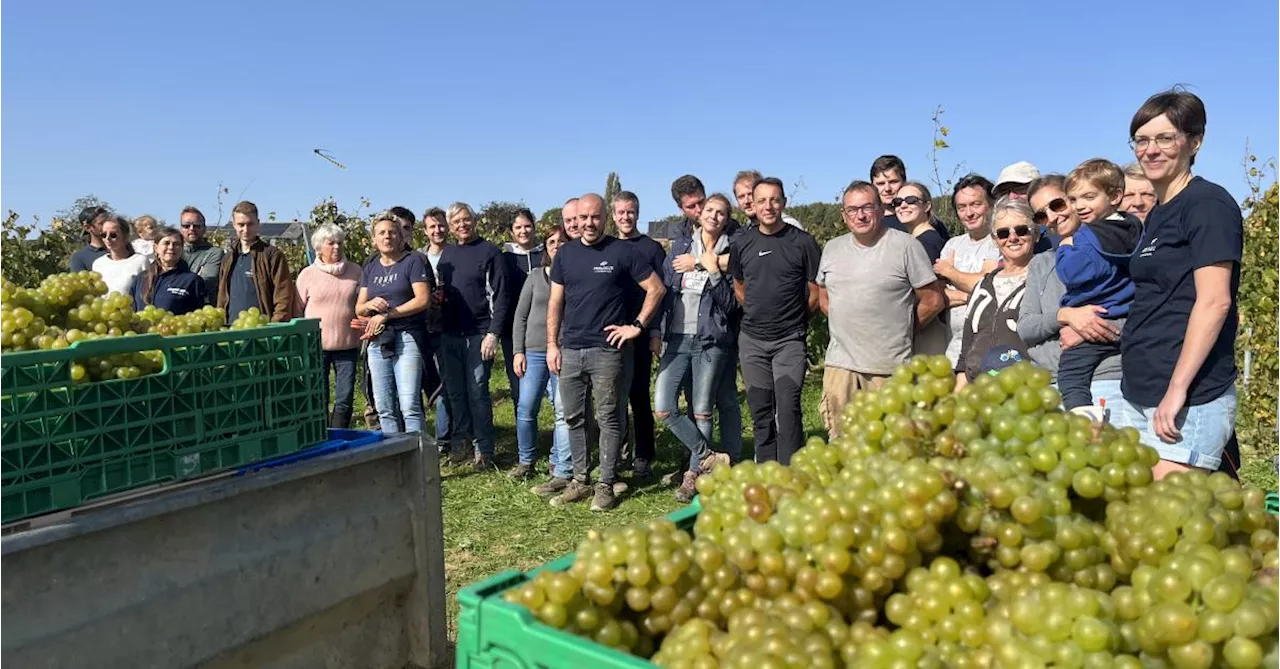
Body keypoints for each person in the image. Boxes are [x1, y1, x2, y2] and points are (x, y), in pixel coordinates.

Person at [1113, 89, 1241, 478]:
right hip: (1141, 391)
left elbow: (1214, 302)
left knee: (1170, 525)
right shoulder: (1159, 213)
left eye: (1165, 138)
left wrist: (1177, 389)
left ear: (1194, 142)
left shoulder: (1207, 205)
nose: (1150, 150)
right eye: (1142, 139)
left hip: (1187, 397)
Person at [547, 193, 665, 511]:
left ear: (605, 218)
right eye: (583, 217)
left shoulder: (622, 251)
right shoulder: (566, 255)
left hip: (608, 351)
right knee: (573, 417)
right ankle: (581, 480)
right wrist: (551, 344)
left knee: (609, 417)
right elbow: (555, 302)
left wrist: (637, 325)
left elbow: (656, 288)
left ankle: (606, 483)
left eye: (595, 217)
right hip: (570, 348)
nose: (588, 223)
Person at [817, 180, 944, 436]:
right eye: (852, 210)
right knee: (842, 441)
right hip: (841, 367)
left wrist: (902, 328)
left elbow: (933, 300)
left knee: (891, 444)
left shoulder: (906, 246)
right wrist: (851, 326)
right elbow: (823, 297)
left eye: (867, 207)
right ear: (843, 215)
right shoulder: (832, 249)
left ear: (880, 209)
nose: (860, 215)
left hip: (889, 367)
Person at [729, 177, 821, 465]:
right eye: (762, 201)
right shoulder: (742, 242)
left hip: (789, 341)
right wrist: (760, 311)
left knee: (789, 408)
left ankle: (790, 474)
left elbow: (816, 293)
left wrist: (792, 318)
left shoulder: (802, 243)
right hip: (753, 340)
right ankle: (766, 471)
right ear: (752, 205)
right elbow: (739, 285)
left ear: (783, 203)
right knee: (760, 411)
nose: (768, 206)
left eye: (774, 200)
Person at [655, 193, 738, 502]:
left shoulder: (731, 251)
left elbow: (730, 305)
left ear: (726, 219)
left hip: (709, 340)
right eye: (709, 210)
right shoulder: (680, 247)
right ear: (700, 214)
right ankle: (709, 456)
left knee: (702, 410)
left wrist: (711, 268)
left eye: (720, 213)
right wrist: (655, 331)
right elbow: (665, 290)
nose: (714, 216)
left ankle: (694, 475)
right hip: (676, 338)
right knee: (664, 407)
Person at [1020, 174, 1126, 411]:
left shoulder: (1114, 249)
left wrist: (1090, 330)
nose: (1052, 217)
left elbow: (1141, 314)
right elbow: (1026, 327)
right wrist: (1065, 315)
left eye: (1057, 204)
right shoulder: (1042, 263)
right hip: (1049, 387)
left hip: (1106, 380)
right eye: (1041, 215)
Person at [1054, 159, 1143, 411]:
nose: (1079, 206)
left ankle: (1083, 415)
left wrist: (1064, 249)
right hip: (1125, 315)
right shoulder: (1133, 227)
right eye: (1073, 199)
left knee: (1071, 374)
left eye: (1089, 197)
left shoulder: (1088, 236)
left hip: (1096, 320)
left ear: (1115, 195)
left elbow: (1073, 273)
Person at [437, 202, 511, 469]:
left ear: (474, 220)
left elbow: (500, 296)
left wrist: (493, 333)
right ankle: (461, 444)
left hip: (479, 333)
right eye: (456, 222)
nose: (462, 225)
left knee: (477, 391)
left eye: (465, 220)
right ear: (451, 226)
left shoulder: (490, 252)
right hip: (450, 333)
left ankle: (485, 449)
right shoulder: (447, 255)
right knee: (456, 392)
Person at [356, 212, 433, 434]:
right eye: (382, 233)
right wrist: (371, 305)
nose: (387, 236)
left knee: (409, 405)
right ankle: (394, 458)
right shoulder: (371, 267)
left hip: (407, 337)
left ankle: (417, 461)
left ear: (401, 237)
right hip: (378, 341)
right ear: (374, 239)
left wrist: (388, 314)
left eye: (392, 232)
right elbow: (359, 308)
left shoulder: (413, 261)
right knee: (384, 408)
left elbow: (422, 299)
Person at [513, 225, 573, 488]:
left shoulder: (575, 274)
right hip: (534, 351)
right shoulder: (535, 276)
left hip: (563, 350)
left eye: (562, 241)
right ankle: (526, 460)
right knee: (526, 407)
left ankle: (559, 462)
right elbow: (520, 315)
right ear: (545, 248)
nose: (557, 245)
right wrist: (518, 351)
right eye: (551, 242)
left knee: (562, 410)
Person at [611, 191, 665, 478]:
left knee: (639, 396)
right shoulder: (606, 248)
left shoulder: (652, 249)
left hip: (642, 333)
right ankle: (617, 454)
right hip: (611, 333)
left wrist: (654, 331)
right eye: (620, 212)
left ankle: (644, 455)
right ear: (613, 215)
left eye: (630, 212)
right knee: (614, 397)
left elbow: (662, 294)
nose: (625, 217)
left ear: (637, 213)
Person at [956, 197, 1037, 386]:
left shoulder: (1044, 278)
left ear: (1036, 234)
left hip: (1026, 390)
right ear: (994, 240)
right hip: (980, 392)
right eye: (1003, 233)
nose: (1013, 237)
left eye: (1021, 230)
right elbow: (967, 349)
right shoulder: (983, 285)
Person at [296, 223, 363, 429]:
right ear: (318, 248)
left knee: (344, 396)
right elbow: (297, 309)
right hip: (317, 346)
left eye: (339, 243)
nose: (336, 247)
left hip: (348, 345)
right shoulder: (307, 275)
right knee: (319, 394)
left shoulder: (356, 271)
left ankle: (339, 433)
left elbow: (363, 302)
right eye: (331, 243)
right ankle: (320, 434)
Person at [934, 174, 1002, 368]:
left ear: (991, 205)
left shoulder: (1001, 240)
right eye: (962, 207)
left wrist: (950, 272)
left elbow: (986, 284)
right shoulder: (952, 244)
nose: (969, 213)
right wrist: (970, 295)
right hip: (953, 351)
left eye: (975, 204)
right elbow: (938, 293)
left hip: (991, 354)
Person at [217, 201, 295, 323]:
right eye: (241, 224)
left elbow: (283, 295)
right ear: (234, 225)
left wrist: (275, 325)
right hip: (231, 330)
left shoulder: (272, 255)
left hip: (262, 331)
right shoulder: (228, 258)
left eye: (250, 224)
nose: (246, 229)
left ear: (258, 224)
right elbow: (222, 297)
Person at [501, 208, 545, 408]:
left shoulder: (544, 256)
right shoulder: (505, 258)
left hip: (541, 328)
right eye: (518, 227)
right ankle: (523, 425)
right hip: (513, 328)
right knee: (517, 378)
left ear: (534, 228)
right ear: (512, 231)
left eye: (527, 226)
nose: (523, 231)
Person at [419, 207, 453, 447]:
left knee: (446, 382)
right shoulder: (419, 258)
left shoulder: (455, 254)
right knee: (424, 381)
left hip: (448, 326)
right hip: (421, 326)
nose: (437, 230)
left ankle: (445, 438)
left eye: (441, 225)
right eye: (432, 226)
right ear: (426, 231)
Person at [131, 226, 207, 315]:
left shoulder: (193, 281)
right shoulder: (141, 278)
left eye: (176, 244)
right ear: (156, 248)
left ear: (182, 248)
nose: (171, 247)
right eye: (166, 243)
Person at [871, 155, 949, 238]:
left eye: (893, 182)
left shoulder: (925, 220)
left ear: (904, 182)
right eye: (881, 184)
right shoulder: (869, 223)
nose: (887, 188)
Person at [92, 215, 149, 296]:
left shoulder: (140, 261)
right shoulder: (98, 264)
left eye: (113, 235)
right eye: (104, 235)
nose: (107, 238)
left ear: (125, 236)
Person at [179, 205, 223, 301]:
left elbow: (205, 283)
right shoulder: (174, 251)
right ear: (181, 229)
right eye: (186, 226)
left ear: (204, 228)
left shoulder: (214, 253)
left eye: (196, 226)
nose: (191, 229)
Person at [69, 206, 109, 272]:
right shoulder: (80, 257)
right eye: (101, 223)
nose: (107, 226)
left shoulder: (122, 248)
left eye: (108, 222)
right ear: (87, 227)